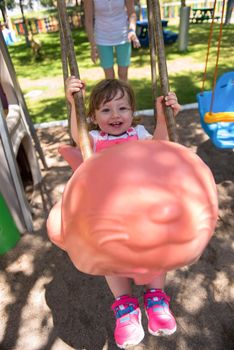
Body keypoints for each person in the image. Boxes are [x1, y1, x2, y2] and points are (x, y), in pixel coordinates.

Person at [65, 76, 181, 349]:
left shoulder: (138, 135)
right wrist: (73, 104)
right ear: (92, 116)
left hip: (143, 208)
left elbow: (160, 146)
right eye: (106, 110)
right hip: (107, 213)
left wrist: (164, 119)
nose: (115, 115)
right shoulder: (92, 139)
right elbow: (76, 135)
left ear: (133, 112)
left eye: (122, 108)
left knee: (155, 248)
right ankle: (126, 309)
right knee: (110, 257)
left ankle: (155, 299)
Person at [84, 0, 141, 81]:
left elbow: (132, 13)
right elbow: (88, 20)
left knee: (123, 75)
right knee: (109, 78)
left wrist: (132, 30)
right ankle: (112, 94)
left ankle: (124, 94)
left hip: (123, 36)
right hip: (102, 37)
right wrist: (93, 45)